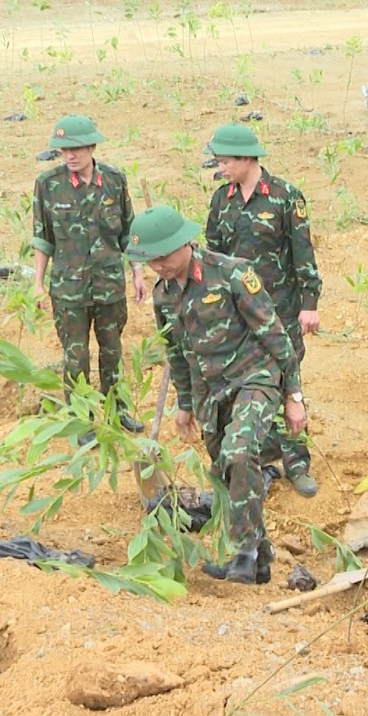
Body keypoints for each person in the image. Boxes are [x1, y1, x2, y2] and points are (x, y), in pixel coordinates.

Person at [128, 206, 306, 586]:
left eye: (163, 256)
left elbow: (275, 334)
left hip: (254, 378)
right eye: (150, 260)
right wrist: (185, 404)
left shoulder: (232, 274)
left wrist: (293, 395)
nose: (158, 266)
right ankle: (260, 556)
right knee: (226, 470)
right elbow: (176, 353)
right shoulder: (163, 296)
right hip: (210, 393)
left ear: (185, 243)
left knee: (240, 451)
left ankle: (243, 553)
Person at [204, 124, 323, 498]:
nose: (220, 168)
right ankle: (253, 455)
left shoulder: (286, 197)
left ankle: (296, 461)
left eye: (225, 162)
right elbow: (213, 257)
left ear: (246, 159)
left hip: (281, 311)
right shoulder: (221, 200)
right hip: (237, 315)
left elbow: (303, 253)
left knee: (288, 381)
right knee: (244, 382)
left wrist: (309, 305)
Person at [31, 114, 145, 436]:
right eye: (64, 149)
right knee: (75, 358)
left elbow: (128, 233)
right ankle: (81, 421)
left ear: (92, 147)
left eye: (77, 148)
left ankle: (116, 412)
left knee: (112, 353)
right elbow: (42, 238)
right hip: (69, 291)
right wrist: (38, 285)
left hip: (109, 286)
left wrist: (138, 273)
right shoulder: (49, 185)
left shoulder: (114, 180)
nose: (70, 155)